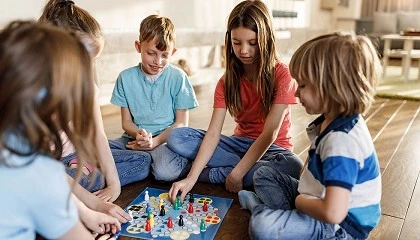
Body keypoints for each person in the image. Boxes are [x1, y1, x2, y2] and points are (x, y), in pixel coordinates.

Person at [238, 32, 382, 239]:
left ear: (332, 87)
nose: (296, 93)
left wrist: (299, 201)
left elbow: (333, 213)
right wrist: (302, 196)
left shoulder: (342, 141)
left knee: (261, 226)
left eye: (303, 85)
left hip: (340, 227)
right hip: (316, 198)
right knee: (264, 174)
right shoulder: (331, 121)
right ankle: (286, 220)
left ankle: (264, 212)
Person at [158, 0, 303, 202]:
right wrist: (191, 180)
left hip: (273, 151)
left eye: (252, 43)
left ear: (266, 39)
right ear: (229, 41)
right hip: (238, 146)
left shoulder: (282, 75)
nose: (244, 50)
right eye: (237, 43)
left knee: (293, 166)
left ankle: (219, 173)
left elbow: (270, 133)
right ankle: (228, 172)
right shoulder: (226, 81)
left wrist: (236, 174)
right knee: (177, 137)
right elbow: (213, 133)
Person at [0, 20, 120, 240]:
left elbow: (51, 179)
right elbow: (45, 179)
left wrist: (86, 213)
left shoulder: (17, 144)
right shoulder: (33, 170)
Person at [39, 0, 131, 223]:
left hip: (73, 159)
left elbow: (98, 134)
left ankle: (78, 186)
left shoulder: (87, 87)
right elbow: (39, 166)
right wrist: (96, 204)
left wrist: (115, 185)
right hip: (43, 167)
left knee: (140, 163)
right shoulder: (37, 90)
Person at [108, 14, 199, 184]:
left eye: (165, 55)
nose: (158, 61)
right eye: (151, 53)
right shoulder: (125, 78)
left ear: (173, 52)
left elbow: (181, 123)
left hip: (165, 141)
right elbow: (126, 122)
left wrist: (155, 142)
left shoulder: (178, 77)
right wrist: (139, 135)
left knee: (165, 173)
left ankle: (143, 161)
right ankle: (143, 160)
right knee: (100, 150)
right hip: (133, 141)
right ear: (138, 46)